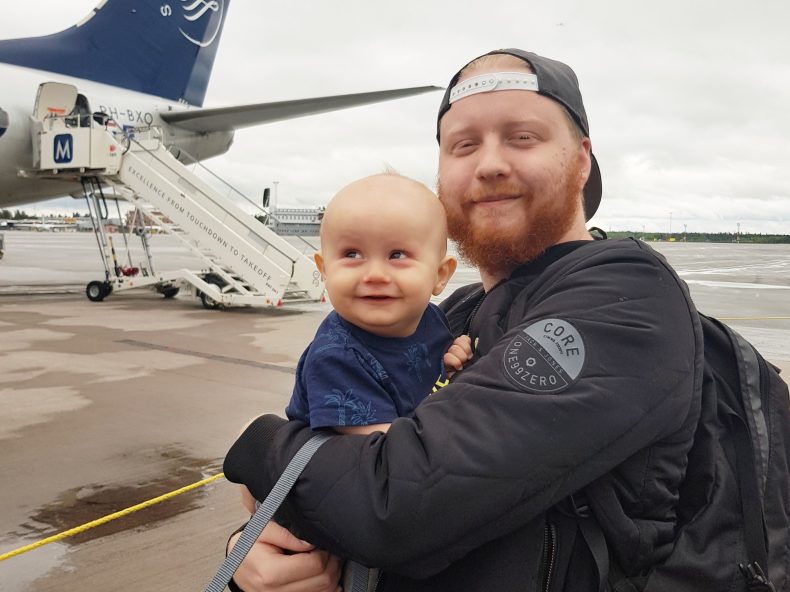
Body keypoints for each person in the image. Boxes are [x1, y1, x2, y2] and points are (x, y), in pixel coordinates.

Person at [224, 48, 703, 591]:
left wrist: (257, 443)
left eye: (523, 137)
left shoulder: (623, 298)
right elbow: (333, 481)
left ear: (582, 160)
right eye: (464, 145)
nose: (489, 164)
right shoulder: (449, 315)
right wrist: (254, 550)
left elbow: (391, 503)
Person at [238, 172, 470, 516]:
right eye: (352, 254)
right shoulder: (336, 358)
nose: (374, 274)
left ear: (439, 275)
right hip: (329, 501)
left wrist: (448, 367)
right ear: (324, 269)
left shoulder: (432, 320)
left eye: (397, 254)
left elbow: (425, 387)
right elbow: (392, 459)